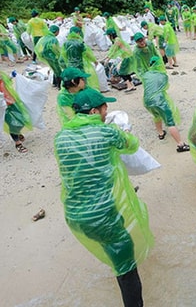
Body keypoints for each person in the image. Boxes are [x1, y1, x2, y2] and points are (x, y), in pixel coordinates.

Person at [54, 88, 154, 306]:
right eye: (103, 109)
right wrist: (121, 129)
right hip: (101, 216)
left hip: (74, 215)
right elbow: (131, 144)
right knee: (127, 270)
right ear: (93, 111)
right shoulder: (106, 133)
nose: (105, 114)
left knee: (113, 252)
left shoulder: (61, 137)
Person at [142, 56, 189, 152]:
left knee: (156, 115)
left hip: (147, 101)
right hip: (159, 101)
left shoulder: (145, 74)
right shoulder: (163, 75)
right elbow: (165, 86)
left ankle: (160, 133)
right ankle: (180, 144)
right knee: (170, 122)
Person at [104, 28, 136, 92]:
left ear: (110, 35)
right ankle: (132, 85)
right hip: (127, 56)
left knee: (121, 72)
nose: (107, 37)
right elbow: (112, 49)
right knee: (126, 72)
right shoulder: (116, 40)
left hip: (127, 57)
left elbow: (114, 50)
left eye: (108, 35)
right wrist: (107, 56)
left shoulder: (117, 40)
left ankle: (129, 86)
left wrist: (108, 59)